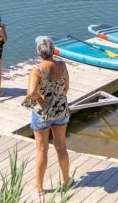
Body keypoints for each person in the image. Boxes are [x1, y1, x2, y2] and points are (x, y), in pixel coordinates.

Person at [26, 36, 70, 197]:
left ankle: (39, 187)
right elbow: (67, 87)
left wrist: (41, 98)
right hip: (61, 111)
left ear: (39, 52)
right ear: (53, 51)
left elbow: (31, 93)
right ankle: (66, 180)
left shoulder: (36, 71)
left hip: (42, 114)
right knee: (61, 146)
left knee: (42, 149)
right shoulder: (63, 65)